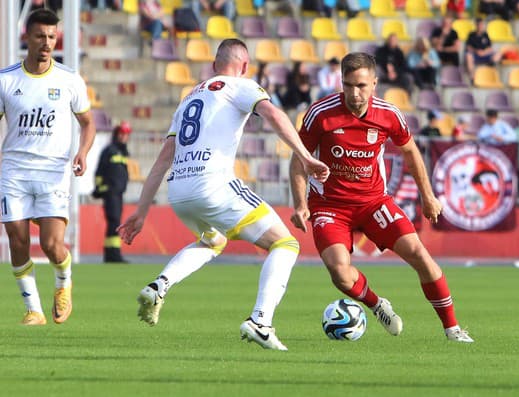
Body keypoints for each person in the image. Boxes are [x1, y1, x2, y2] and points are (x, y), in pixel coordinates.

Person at [117, 39, 330, 351]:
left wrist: (141, 211)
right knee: (285, 243)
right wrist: (305, 156)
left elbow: (164, 157)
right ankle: (261, 321)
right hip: (212, 185)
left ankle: (159, 285)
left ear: (214, 65)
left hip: (179, 191)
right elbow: (272, 114)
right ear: (244, 67)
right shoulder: (240, 86)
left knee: (213, 240)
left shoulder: (189, 98)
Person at [289, 52, 474, 343]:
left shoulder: (388, 115)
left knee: (420, 255)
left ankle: (453, 330)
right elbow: (299, 159)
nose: (354, 93)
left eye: (361, 85)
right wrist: (300, 204)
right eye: (348, 85)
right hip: (330, 206)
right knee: (340, 273)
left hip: (373, 202)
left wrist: (428, 196)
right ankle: (377, 304)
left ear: (374, 84)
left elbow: (411, 151)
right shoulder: (321, 114)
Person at [0, 9, 96, 325]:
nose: (46, 43)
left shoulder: (69, 79)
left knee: (52, 245)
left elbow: (87, 123)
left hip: (53, 171)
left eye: (52, 37)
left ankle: (63, 282)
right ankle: (33, 309)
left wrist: (82, 152)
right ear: (26, 37)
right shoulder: (6, 80)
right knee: (17, 239)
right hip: (14, 170)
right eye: (40, 36)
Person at [93, 121, 133, 263]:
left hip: (118, 193)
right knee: (114, 221)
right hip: (110, 193)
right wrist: (100, 188)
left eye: (126, 134)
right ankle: (113, 254)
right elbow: (99, 172)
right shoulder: (109, 150)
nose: (123, 137)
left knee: (115, 222)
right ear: (116, 134)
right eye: (121, 134)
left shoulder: (123, 152)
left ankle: (111, 253)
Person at [465, 18, 503, 82]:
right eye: (479, 25)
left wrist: (484, 52)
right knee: (468, 56)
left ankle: (492, 69)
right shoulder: (471, 35)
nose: (480, 26)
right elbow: (468, 47)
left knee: (498, 54)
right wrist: (476, 51)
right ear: (476, 25)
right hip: (475, 55)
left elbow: (490, 48)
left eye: (481, 25)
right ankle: (472, 77)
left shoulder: (485, 34)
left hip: (485, 55)